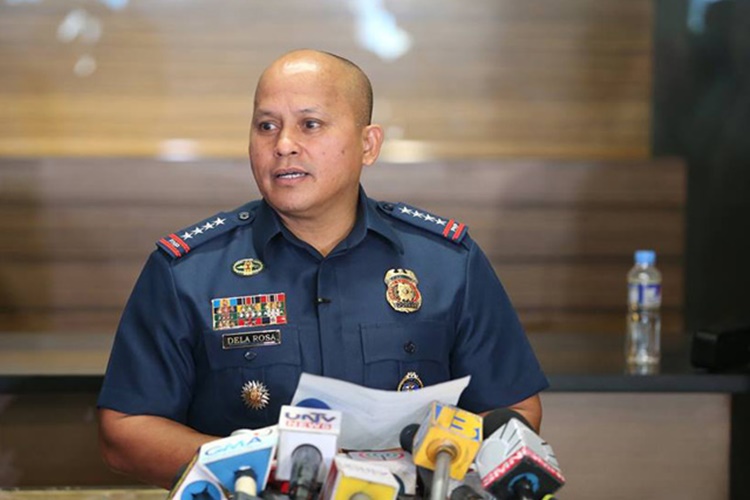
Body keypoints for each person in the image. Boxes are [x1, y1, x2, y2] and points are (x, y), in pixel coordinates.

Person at [97, 49, 549, 489]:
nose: (283, 145)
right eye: (266, 126)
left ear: (368, 144)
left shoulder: (447, 263)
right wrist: (272, 467)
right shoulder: (187, 271)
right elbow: (126, 431)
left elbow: (513, 412)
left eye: (309, 124)